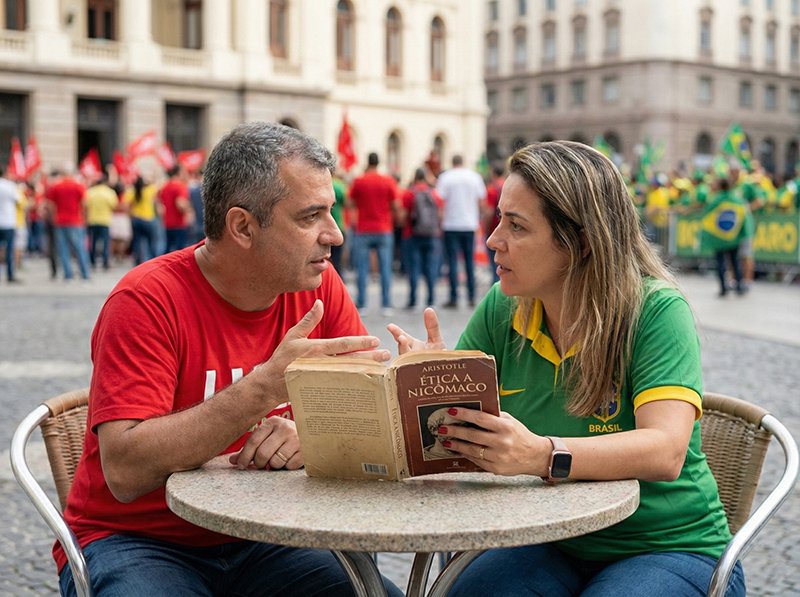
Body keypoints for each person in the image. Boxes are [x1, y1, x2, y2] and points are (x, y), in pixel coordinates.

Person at [55, 122, 401, 597]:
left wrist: (313, 433)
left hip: (271, 533)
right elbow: (125, 472)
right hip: (139, 538)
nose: (336, 235)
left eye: (331, 212)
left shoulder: (319, 287)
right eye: (310, 217)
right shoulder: (146, 300)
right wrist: (263, 388)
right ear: (242, 227)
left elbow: (366, 415)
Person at [388, 141, 743, 597]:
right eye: (499, 219)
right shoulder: (503, 306)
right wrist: (429, 385)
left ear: (581, 242)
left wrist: (543, 455)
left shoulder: (655, 309)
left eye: (516, 226)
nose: (493, 239)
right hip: (546, 537)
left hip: (668, 545)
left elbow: (665, 451)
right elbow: (463, 434)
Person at [347, 151, 399, 314]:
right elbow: (396, 205)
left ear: (367, 162)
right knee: (385, 268)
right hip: (384, 228)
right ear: (379, 163)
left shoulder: (359, 181)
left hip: (364, 228)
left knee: (362, 268)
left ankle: (362, 304)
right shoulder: (387, 181)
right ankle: (386, 304)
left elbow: (349, 202)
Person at [435, 154, 487, 308]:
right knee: (469, 261)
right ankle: (471, 296)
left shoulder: (446, 177)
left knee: (452, 262)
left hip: (451, 224)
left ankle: (453, 297)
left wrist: (440, 222)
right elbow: (481, 201)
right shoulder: (474, 177)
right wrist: (479, 219)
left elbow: (440, 202)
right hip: (469, 224)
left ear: (452, 162)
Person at [399, 167, 443, 310]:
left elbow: (403, 215)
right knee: (430, 267)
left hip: (412, 234)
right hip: (431, 235)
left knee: (413, 268)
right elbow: (440, 214)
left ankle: (413, 300)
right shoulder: (434, 193)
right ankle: (431, 300)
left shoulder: (409, 193)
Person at [46, 170, 91, 281]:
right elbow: (84, 203)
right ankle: (85, 273)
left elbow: (50, 204)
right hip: (76, 221)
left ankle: (68, 274)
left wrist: (53, 217)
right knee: (79, 248)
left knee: (63, 249)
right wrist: (85, 218)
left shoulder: (56, 186)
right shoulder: (78, 186)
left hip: (60, 221)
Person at [85, 173, 119, 270]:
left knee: (93, 242)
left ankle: (92, 261)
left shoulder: (90, 192)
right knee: (105, 243)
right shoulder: (109, 192)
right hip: (105, 221)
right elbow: (114, 205)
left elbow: (85, 205)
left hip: (92, 220)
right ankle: (105, 262)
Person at [159, 165, 193, 253]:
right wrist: (189, 210)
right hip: (179, 223)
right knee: (180, 252)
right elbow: (180, 204)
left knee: (168, 250)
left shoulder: (165, 186)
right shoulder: (180, 186)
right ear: (180, 173)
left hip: (167, 223)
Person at [126, 175, 159, 265]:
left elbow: (127, 206)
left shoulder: (132, 191)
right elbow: (155, 184)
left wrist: (131, 216)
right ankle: (152, 261)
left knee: (137, 242)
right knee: (151, 242)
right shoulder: (149, 190)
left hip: (136, 219)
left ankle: (137, 261)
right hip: (148, 219)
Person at [0, 166, 20, 283]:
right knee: (9, 249)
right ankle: (10, 274)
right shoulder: (10, 186)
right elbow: (18, 200)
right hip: (8, 221)